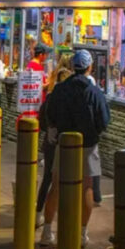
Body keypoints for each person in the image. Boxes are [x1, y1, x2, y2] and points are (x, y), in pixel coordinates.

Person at [41, 49, 110, 249]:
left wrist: (55, 128)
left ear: (72, 67)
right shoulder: (94, 91)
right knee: (87, 187)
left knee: (56, 185)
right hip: (87, 144)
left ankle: (47, 231)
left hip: (64, 142)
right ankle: (81, 234)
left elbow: (50, 112)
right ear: (89, 68)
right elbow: (104, 120)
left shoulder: (61, 89)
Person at [36, 67, 72, 226]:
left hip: (50, 143)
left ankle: (38, 214)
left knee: (48, 179)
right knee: (65, 181)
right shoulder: (68, 99)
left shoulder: (50, 97)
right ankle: (63, 218)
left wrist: (49, 129)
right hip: (65, 144)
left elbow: (41, 118)